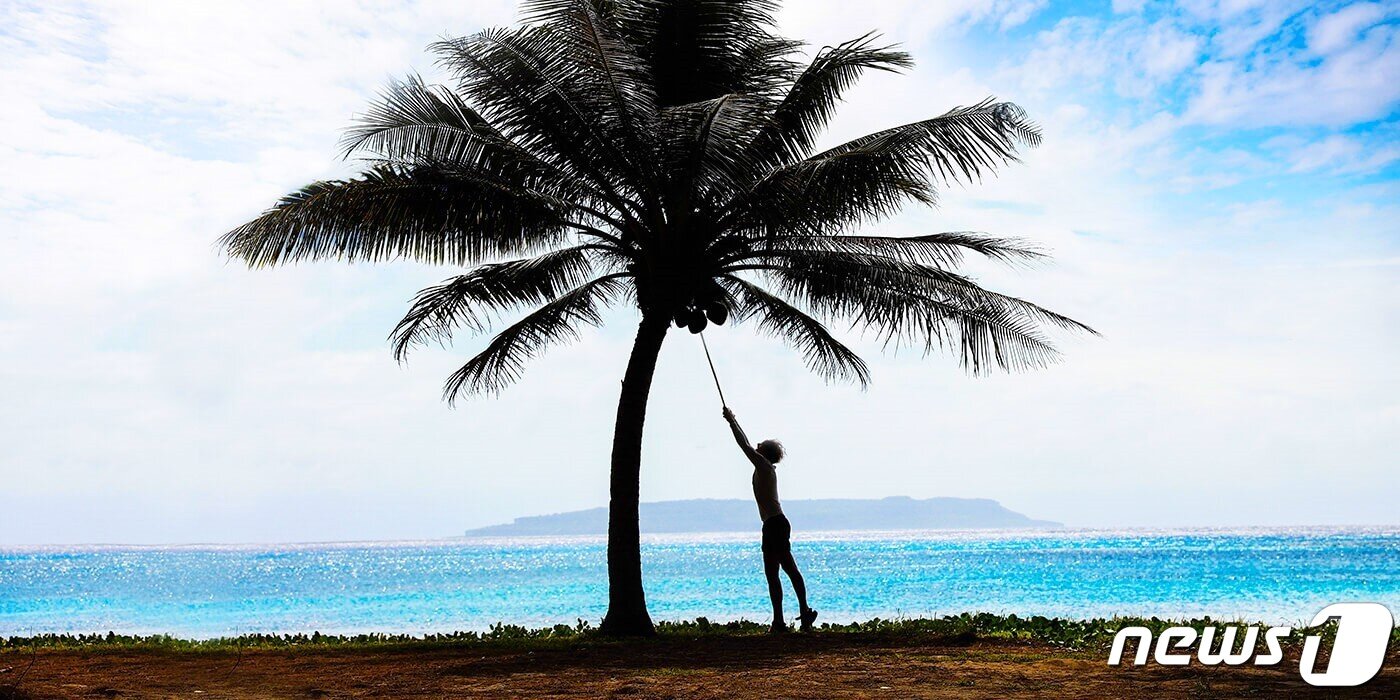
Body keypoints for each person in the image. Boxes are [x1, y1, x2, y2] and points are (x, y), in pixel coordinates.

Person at [723, 407, 818, 633]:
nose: (755, 447)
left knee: (780, 571)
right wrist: (734, 419)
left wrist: (731, 422)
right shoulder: (764, 467)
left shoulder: (764, 467)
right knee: (780, 571)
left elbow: (743, 445)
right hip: (774, 524)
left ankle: (791, 617)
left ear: (764, 453)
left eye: (759, 446)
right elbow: (746, 443)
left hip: (775, 524)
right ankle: (791, 617)